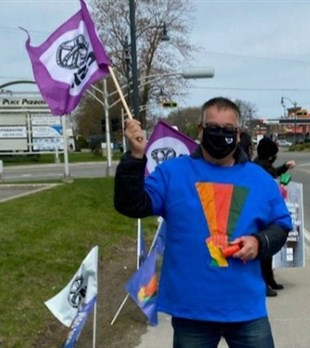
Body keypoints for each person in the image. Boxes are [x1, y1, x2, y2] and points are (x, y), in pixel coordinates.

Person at [114, 97, 292, 348]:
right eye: (213, 128)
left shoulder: (259, 179)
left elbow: (281, 226)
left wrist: (259, 242)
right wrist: (134, 157)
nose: (220, 135)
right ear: (200, 130)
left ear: (238, 134)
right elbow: (130, 204)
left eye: (228, 130)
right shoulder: (172, 173)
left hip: (246, 309)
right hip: (191, 311)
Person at [254, 137, 296, 297]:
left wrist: (285, 168)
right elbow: (272, 180)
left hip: (264, 211)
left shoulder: (259, 163)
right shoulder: (261, 167)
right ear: (270, 154)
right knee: (264, 251)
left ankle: (269, 280)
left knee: (267, 251)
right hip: (263, 212)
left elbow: (274, 174)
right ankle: (263, 283)